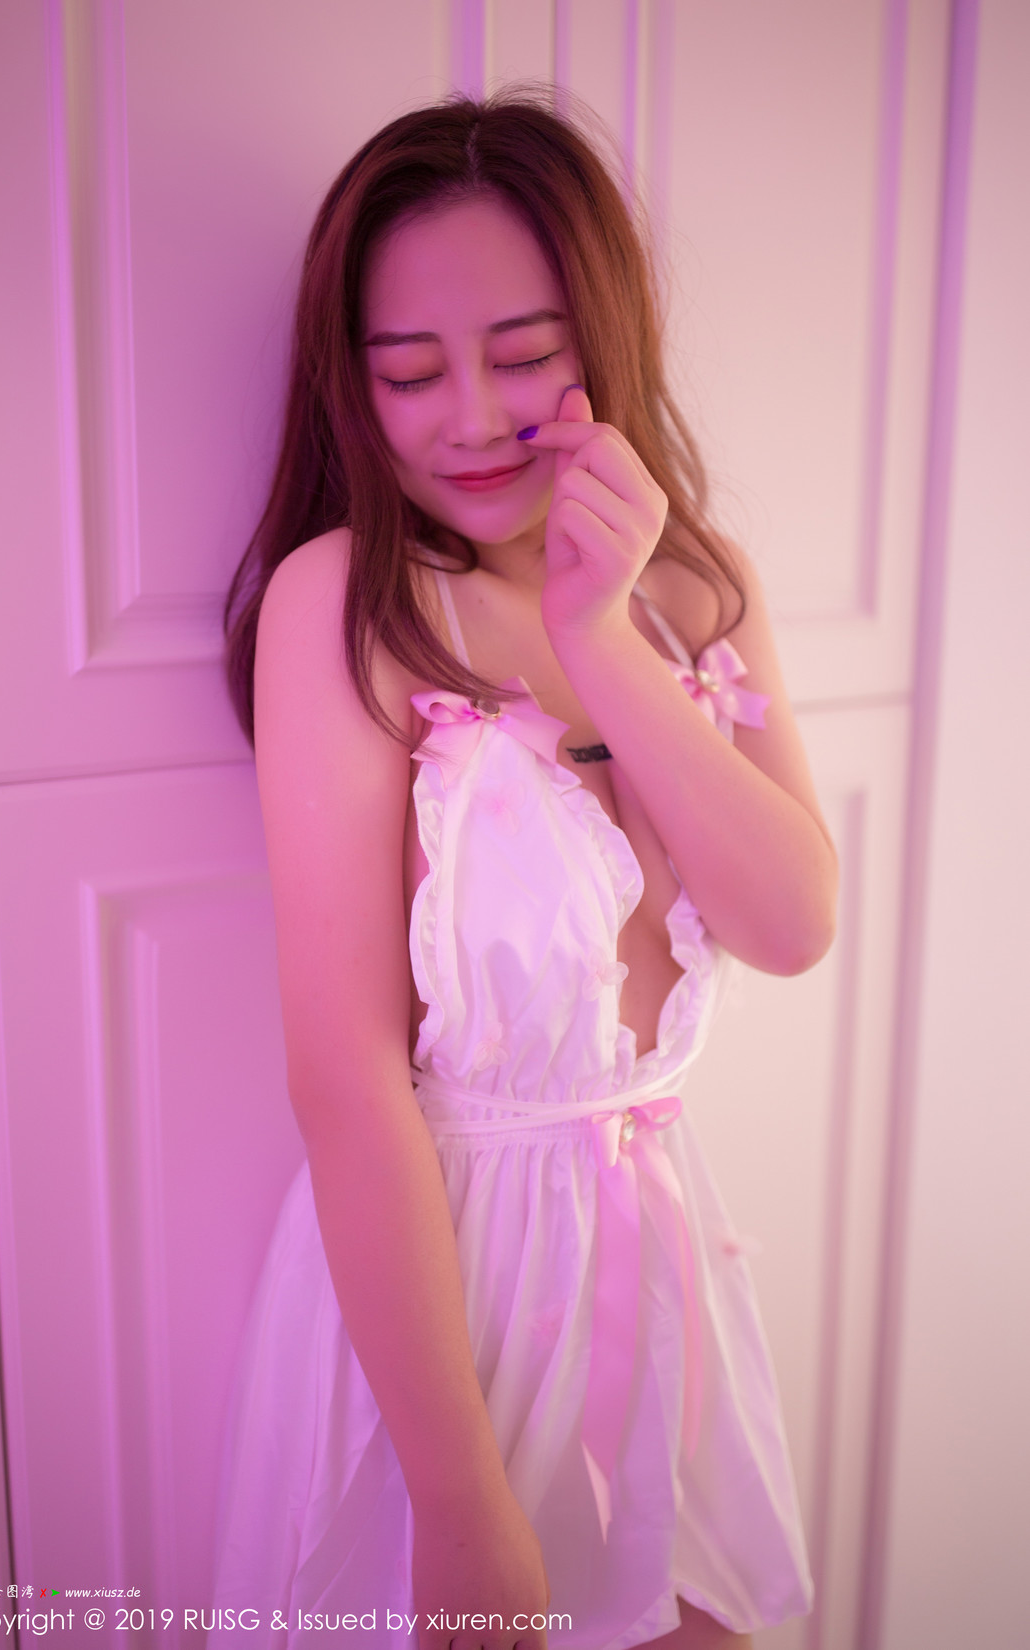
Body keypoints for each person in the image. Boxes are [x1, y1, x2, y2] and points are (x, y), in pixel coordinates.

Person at [213, 92, 837, 1650]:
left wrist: (599, 636)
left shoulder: (692, 589)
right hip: (440, 1302)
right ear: (351, 381)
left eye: (525, 353)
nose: (475, 417)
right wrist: (454, 1489)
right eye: (410, 371)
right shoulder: (345, 605)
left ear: (601, 337)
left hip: (655, 1273)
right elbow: (347, 1079)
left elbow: (789, 922)